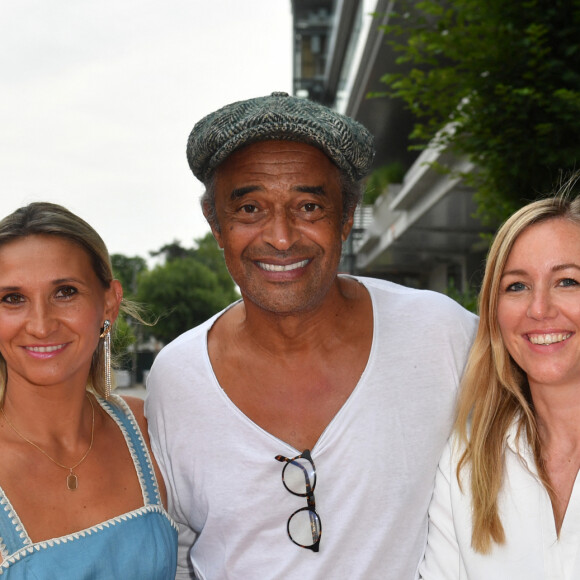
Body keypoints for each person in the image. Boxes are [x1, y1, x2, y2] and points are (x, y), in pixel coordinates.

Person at [145, 91, 478, 579]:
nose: (281, 237)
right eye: (250, 208)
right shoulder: (176, 376)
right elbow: (177, 547)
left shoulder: (440, 334)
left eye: (308, 206)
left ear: (346, 218)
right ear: (215, 224)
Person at [0, 202, 177, 578]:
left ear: (109, 302)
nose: (41, 325)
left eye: (65, 292)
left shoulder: (148, 429)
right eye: (12, 298)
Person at [420, 195, 580, 579]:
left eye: (568, 281)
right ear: (494, 310)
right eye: (517, 286)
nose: (539, 309)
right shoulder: (465, 460)